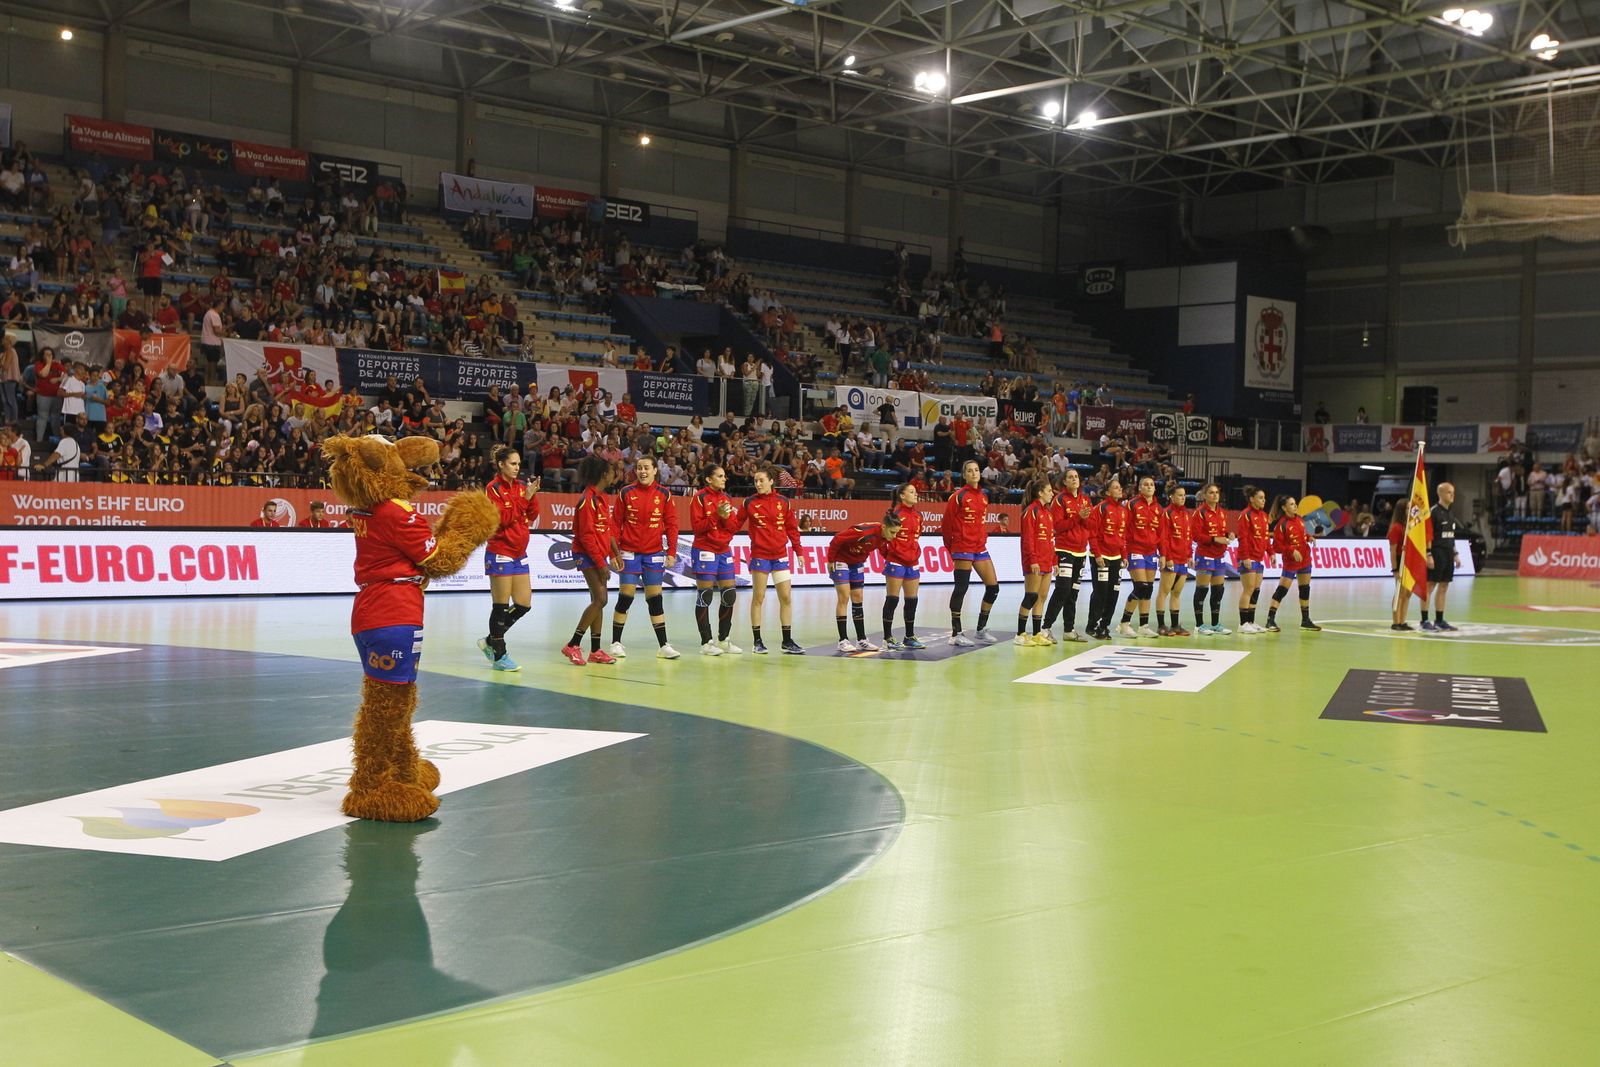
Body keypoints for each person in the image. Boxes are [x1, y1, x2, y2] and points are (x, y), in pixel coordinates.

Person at [610, 455, 680, 659]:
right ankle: (615, 643)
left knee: (655, 600)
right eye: (639, 468)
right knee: (626, 597)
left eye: (646, 468)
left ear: (655, 470)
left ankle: (663, 646)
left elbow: (672, 525)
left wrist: (672, 552)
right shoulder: (625, 492)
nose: (642, 471)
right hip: (629, 553)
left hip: (654, 554)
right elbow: (615, 525)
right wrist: (613, 553)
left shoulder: (664, 494)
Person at [477, 446, 540, 671]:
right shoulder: (492, 489)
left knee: (523, 604)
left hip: (519, 552)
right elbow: (502, 519)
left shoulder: (522, 487)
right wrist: (524, 500)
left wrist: (531, 496)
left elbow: (532, 514)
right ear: (501, 464)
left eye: (519, 464)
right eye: (513, 464)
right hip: (500, 551)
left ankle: (489, 640)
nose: (517, 468)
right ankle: (499, 655)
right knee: (501, 606)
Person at [563, 455, 620, 666]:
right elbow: (586, 537)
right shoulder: (587, 500)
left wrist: (614, 553)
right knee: (601, 599)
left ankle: (595, 650)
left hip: (598, 554)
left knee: (598, 600)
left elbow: (608, 529)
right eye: (612, 471)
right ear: (604, 474)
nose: (615, 475)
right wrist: (601, 563)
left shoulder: (602, 497)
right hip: (586, 554)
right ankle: (573, 644)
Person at [744, 464, 804, 654]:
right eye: (755, 481)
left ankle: (787, 641)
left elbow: (792, 528)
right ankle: (757, 642)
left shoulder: (784, 502)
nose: (758, 484)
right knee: (758, 598)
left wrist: (799, 551)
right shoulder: (749, 502)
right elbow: (733, 524)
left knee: (786, 597)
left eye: (761, 480)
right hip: (760, 556)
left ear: (771, 481)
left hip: (780, 556)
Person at [689, 465, 745, 655]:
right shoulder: (699, 498)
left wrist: (726, 518)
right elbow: (697, 528)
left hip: (723, 550)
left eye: (724, 476)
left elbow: (732, 527)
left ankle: (723, 640)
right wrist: (716, 515)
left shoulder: (726, 498)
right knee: (705, 595)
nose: (724, 479)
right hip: (705, 549)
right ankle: (706, 643)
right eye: (720, 476)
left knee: (729, 595)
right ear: (708, 479)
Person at [943, 459, 1001, 645]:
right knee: (961, 588)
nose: (974, 473)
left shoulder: (983, 496)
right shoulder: (958, 496)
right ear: (964, 475)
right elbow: (946, 525)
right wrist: (952, 549)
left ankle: (981, 630)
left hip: (979, 547)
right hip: (962, 547)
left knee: (993, 588)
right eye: (970, 470)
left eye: (976, 470)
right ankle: (956, 634)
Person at [826, 512, 902, 652]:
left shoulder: (884, 537)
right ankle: (843, 640)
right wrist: (830, 560)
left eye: (896, 533)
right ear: (884, 527)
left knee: (858, 597)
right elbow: (837, 539)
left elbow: (883, 550)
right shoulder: (863, 532)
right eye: (892, 532)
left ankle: (861, 640)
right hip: (840, 559)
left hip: (857, 562)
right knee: (844, 597)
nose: (894, 536)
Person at [1041, 468, 1092, 642]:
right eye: (1070, 477)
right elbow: (1058, 527)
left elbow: (1090, 525)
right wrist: (1078, 517)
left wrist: (1085, 519)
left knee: (1074, 592)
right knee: (1063, 589)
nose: (1074, 479)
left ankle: (1069, 630)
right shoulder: (1060, 500)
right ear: (1064, 481)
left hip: (1081, 551)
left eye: (1076, 476)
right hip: (1065, 550)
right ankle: (1045, 628)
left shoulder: (1085, 500)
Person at [1266, 495, 1320, 632]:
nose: (1295, 506)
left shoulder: (1300, 520)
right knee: (1282, 590)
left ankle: (1305, 620)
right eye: (1291, 504)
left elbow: (1303, 535)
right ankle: (1270, 620)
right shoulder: (1281, 525)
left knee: (1305, 589)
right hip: (1291, 562)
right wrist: (1291, 550)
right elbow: (1277, 546)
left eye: (1295, 503)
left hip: (1305, 560)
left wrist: (1309, 537)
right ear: (1284, 508)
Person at [1117, 475, 1163, 637]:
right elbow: (1124, 528)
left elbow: (1161, 533)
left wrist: (1163, 554)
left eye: (1151, 484)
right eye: (1146, 484)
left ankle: (1143, 626)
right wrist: (1123, 551)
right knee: (1141, 586)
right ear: (1140, 488)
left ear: (1155, 488)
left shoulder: (1158, 508)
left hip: (1151, 552)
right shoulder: (1132, 504)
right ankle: (1124, 623)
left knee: (1148, 589)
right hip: (1135, 549)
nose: (1149, 487)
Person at [1084, 478, 1129, 640]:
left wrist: (1124, 555)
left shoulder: (1123, 511)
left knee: (1113, 592)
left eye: (1120, 487)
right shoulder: (1100, 508)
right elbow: (1092, 534)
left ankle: (1104, 626)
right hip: (1101, 557)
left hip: (1116, 557)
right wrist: (1097, 554)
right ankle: (1092, 625)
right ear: (1108, 492)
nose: (1119, 489)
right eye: (1115, 488)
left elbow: (1122, 536)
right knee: (1100, 592)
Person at [882, 482, 925, 650]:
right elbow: (885, 537)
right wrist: (892, 555)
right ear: (902, 495)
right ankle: (888, 638)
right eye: (912, 492)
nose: (916, 494)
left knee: (912, 600)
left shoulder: (919, 515)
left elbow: (917, 537)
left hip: (912, 562)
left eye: (916, 492)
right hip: (896, 561)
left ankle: (909, 637)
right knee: (892, 599)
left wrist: (913, 553)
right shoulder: (895, 514)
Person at [1016, 476, 1056, 645]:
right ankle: (1020, 634)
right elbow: (1028, 539)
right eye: (1049, 491)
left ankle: (1037, 633)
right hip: (1035, 561)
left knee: (1042, 596)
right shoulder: (1030, 511)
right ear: (1040, 493)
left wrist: (1054, 561)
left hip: (1047, 560)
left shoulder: (1048, 513)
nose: (1052, 494)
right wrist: (1032, 560)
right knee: (1031, 596)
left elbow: (1051, 539)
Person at [1191, 482, 1232, 635]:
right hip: (1205, 555)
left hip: (1219, 556)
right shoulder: (1199, 513)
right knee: (1202, 589)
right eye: (1211, 493)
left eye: (1217, 493)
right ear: (1204, 495)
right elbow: (1196, 536)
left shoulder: (1222, 512)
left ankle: (1215, 624)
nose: (1215, 495)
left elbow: (1222, 531)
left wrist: (1228, 535)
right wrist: (1215, 539)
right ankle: (1199, 624)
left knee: (1218, 590)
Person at [1154, 485, 1194, 637]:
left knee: (1176, 593)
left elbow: (1188, 537)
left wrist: (1189, 556)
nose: (1183, 498)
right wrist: (1167, 556)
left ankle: (1176, 626)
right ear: (1171, 496)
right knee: (1163, 592)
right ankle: (1161, 625)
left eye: (1184, 495)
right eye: (1179, 495)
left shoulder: (1187, 514)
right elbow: (1164, 537)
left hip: (1183, 560)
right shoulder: (1167, 513)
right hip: (1172, 559)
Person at [1423, 482, 1460, 632]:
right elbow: (1427, 535)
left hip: (1448, 553)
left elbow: (1451, 536)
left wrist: (1455, 554)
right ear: (1441, 494)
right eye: (1449, 492)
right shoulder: (1433, 512)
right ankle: (1424, 620)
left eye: (1453, 492)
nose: (1452, 495)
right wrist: (1428, 554)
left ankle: (1439, 620)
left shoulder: (1451, 513)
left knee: (1444, 586)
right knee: (1430, 586)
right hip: (1436, 552)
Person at [1234, 486, 1270, 633]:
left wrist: (1271, 553)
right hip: (1248, 558)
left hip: (1259, 558)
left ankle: (1251, 621)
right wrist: (1245, 556)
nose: (1263, 500)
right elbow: (1242, 538)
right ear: (1252, 499)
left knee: (1256, 590)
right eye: (1260, 498)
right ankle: (1242, 624)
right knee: (1248, 589)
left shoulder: (1264, 516)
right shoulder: (1246, 515)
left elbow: (1266, 537)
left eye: (1264, 498)